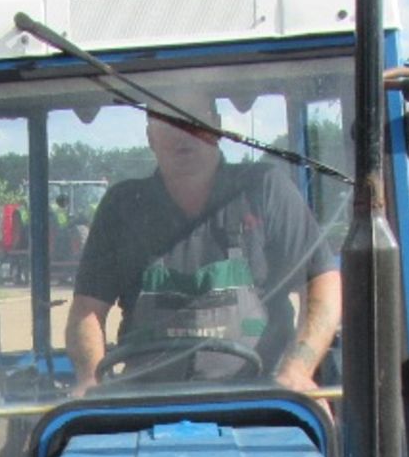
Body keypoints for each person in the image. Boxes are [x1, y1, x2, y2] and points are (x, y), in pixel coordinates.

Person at [64, 100, 340, 396]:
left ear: (217, 127)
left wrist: (298, 370)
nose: (182, 132)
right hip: (144, 403)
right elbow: (86, 310)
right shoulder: (123, 206)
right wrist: (90, 380)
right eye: (167, 121)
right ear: (150, 137)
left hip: (262, 400)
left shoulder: (264, 188)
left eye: (192, 117)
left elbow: (322, 282)